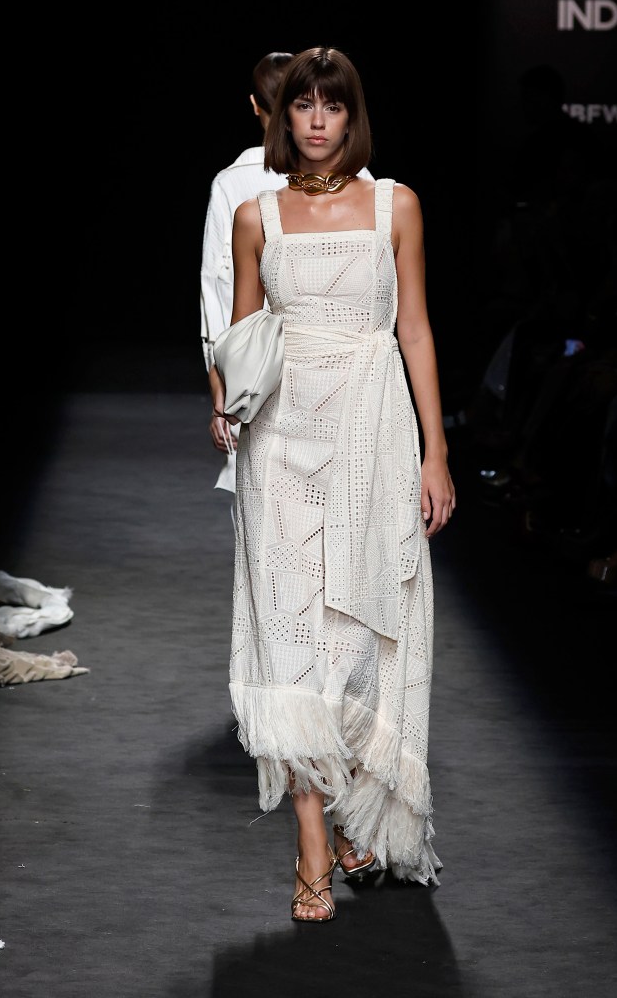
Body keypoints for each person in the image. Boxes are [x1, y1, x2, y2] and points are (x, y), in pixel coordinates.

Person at [208, 46, 455, 923]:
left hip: (372, 434)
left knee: (355, 640)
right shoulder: (257, 215)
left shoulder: (396, 206)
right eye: (303, 105)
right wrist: (223, 402)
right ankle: (312, 840)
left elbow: (415, 329)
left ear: (354, 116)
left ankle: (353, 803)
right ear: (284, 118)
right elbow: (241, 334)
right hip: (279, 441)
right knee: (290, 643)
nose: (317, 120)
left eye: (333, 105)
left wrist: (436, 451)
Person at [200, 51, 294, 492]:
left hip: (258, 372)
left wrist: (219, 380)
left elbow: (217, 288)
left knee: (264, 509)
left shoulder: (232, 183)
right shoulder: (361, 180)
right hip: (340, 366)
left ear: (255, 104)